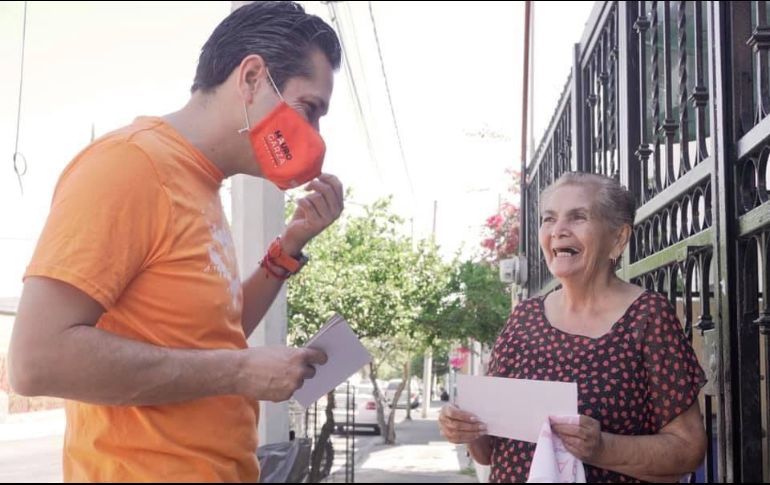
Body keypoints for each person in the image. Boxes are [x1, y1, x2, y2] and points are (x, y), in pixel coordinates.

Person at [8, 2, 343, 482]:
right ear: (251, 78)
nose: (312, 136)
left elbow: (211, 339)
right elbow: (36, 361)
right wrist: (240, 372)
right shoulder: (130, 166)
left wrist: (288, 247)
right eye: (309, 109)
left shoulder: (201, 186)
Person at [439, 172, 707, 482]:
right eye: (549, 219)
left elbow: (689, 449)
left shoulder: (647, 317)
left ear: (618, 238)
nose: (558, 231)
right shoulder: (522, 320)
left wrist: (602, 447)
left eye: (578, 217)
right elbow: (487, 453)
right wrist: (466, 428)